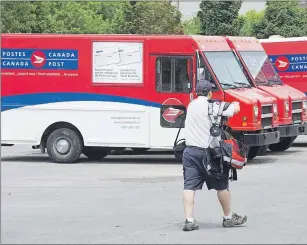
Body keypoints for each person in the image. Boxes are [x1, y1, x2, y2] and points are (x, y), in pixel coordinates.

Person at [182, 80, 247, 231]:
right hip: (210, 153)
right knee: (221, 185)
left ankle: (189, 220)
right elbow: (235, 109)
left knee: (189, 186)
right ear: (210, 92)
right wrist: (235, 101)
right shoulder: (213, 105)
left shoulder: (191, 105)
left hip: (190, 151)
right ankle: (228, 218)